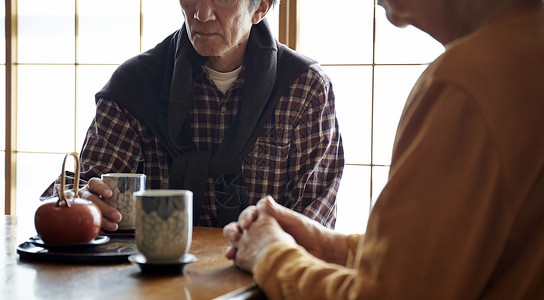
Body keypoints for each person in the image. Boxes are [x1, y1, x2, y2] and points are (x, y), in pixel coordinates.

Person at [223, 0, 544, 298]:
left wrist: (271, 255)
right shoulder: (524, 48)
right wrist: (334, 248)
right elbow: (454, 261)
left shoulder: (467, 81)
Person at [41, 0, 344, 231]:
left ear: (260, 8)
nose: (201, 13)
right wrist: (79, 201)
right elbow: (74, 186)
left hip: (262, 277)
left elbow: (314, 217)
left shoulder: (303, 87)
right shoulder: (137, 83)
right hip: (149, 281)